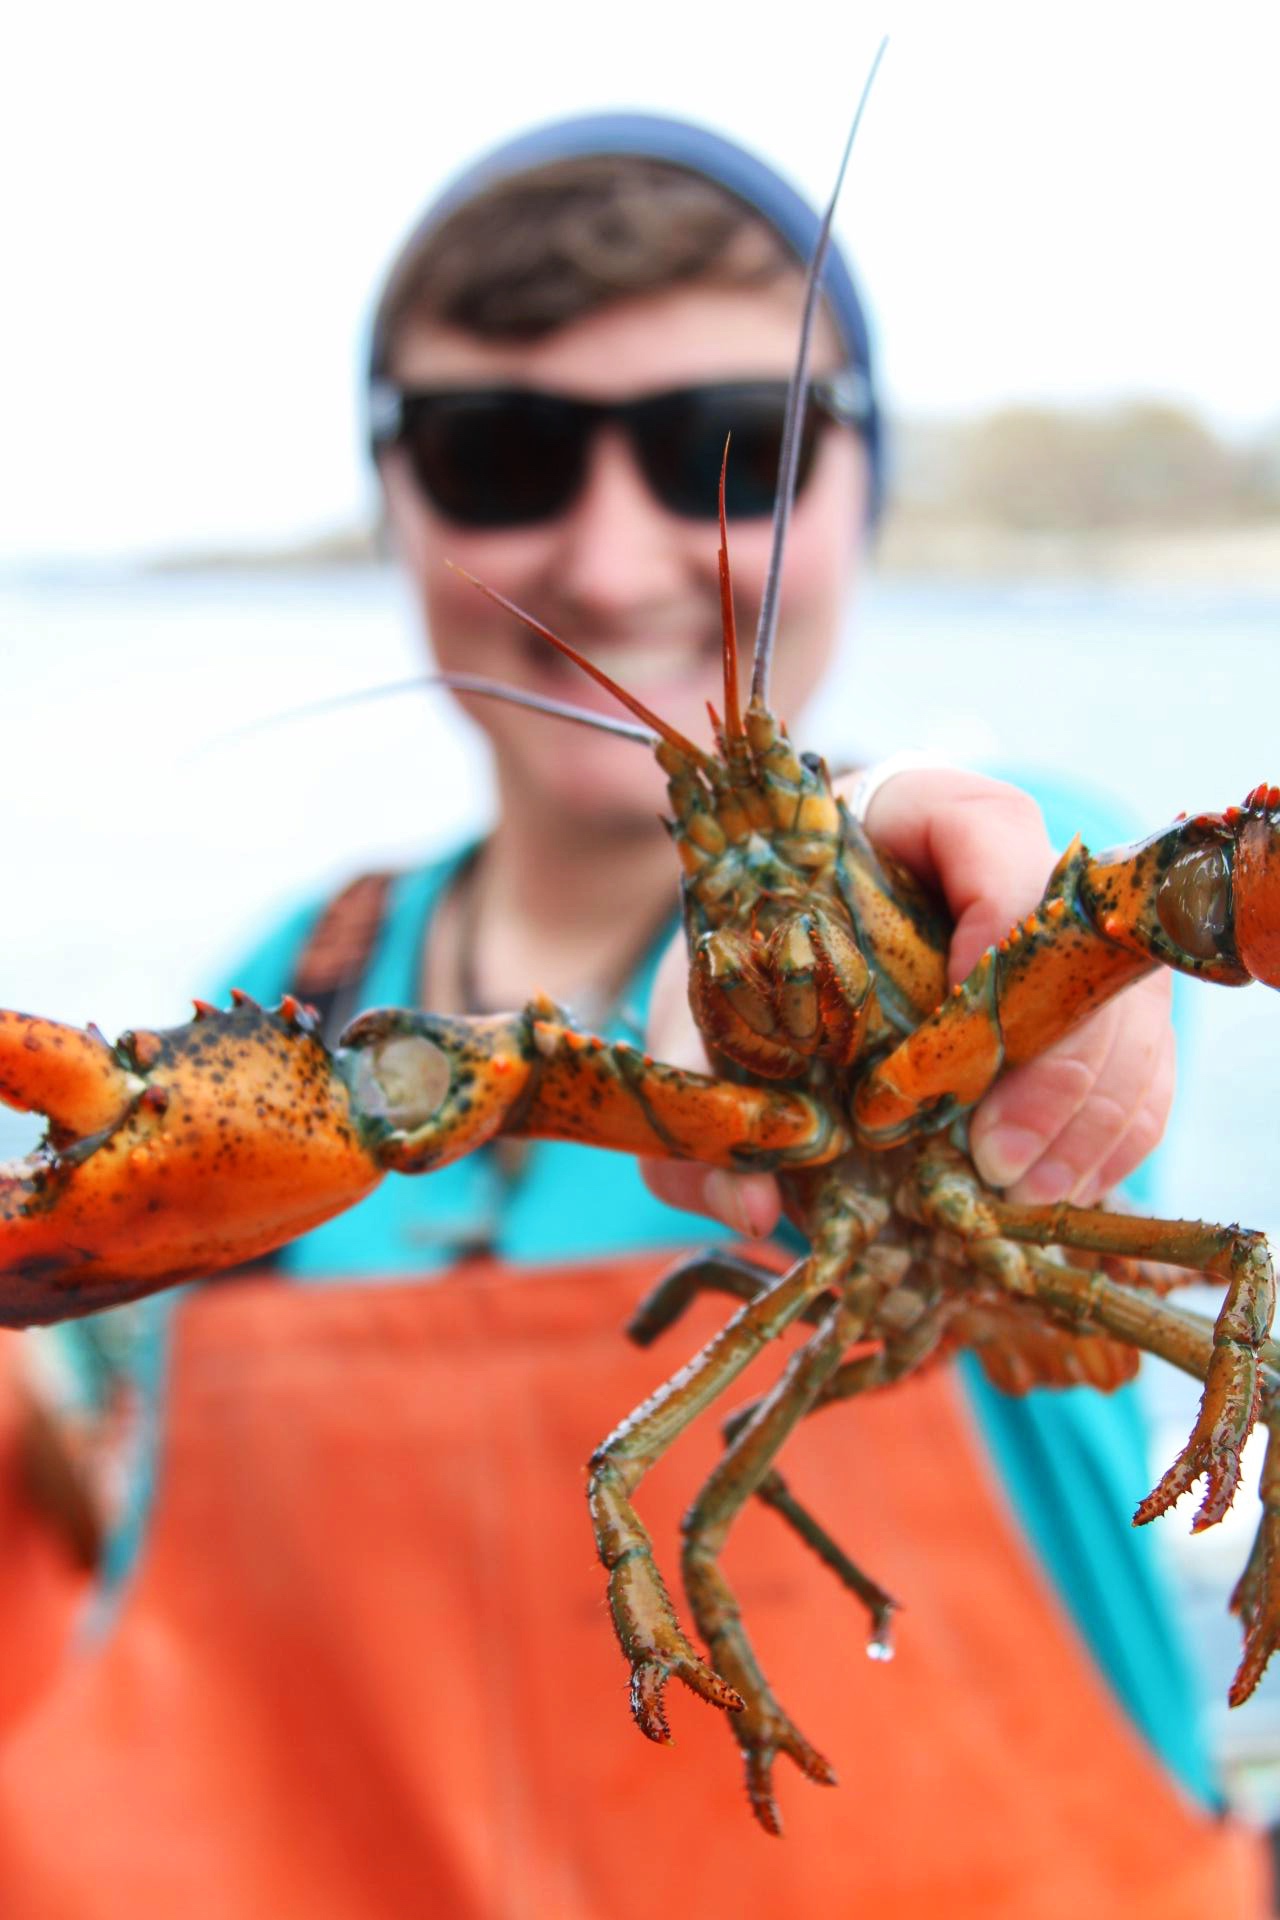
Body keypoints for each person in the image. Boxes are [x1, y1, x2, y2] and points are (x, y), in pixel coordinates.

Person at [0, 116, 1265, 1917]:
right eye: (499, 449)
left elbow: (1054, 888)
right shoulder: (315, 981)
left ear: (864, 487)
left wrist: (1004, 922)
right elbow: (100, 1387)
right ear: (398, 499)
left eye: (717, 452)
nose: (612, 560)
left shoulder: (1005, 870)